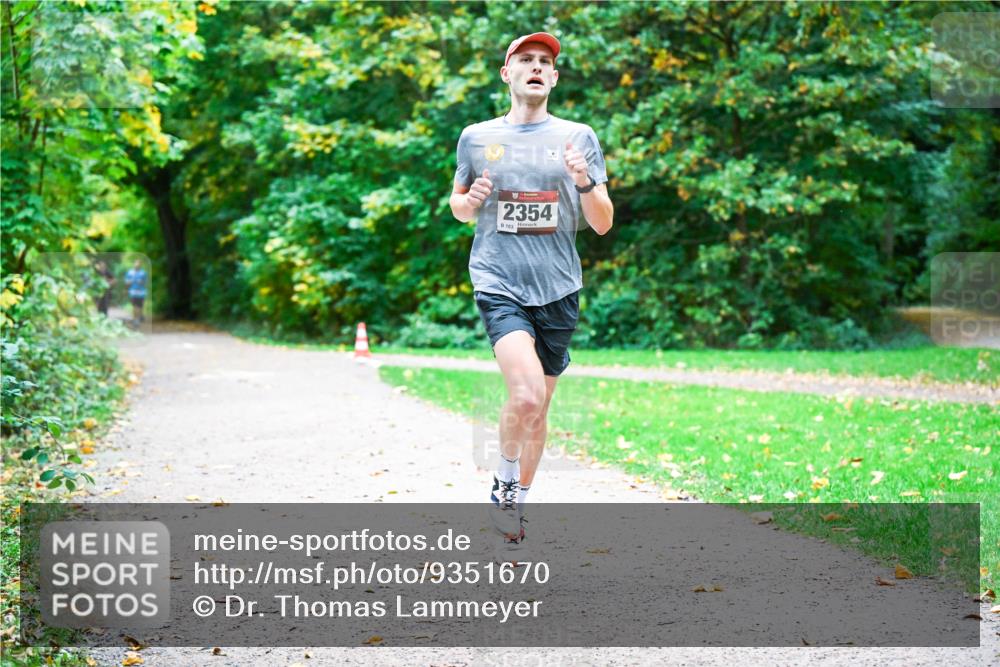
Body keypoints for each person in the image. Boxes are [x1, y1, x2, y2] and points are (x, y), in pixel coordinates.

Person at [448, 32, 614, 560]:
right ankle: (502, 483)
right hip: (498, 279)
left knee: (539, 411)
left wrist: (585, 182)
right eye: (527, 60)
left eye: (545, 62)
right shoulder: (476, 137)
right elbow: (458, 205)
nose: (537, 67)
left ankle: (518, 502)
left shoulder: (578, 137)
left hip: (559, 287)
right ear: (508, 73)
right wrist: (468, 201)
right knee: (525, 396)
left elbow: (603, 224)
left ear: (555, 78)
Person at [124, 259, 147, 326]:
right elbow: (126, 283)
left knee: (140, 306)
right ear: (133, 264)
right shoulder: (129, 273)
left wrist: (141, 282)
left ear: (140, 265)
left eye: (139, 264)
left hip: (141, 292)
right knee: (134, 306)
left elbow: (145, 282)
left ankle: (138, 318)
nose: (137, 265)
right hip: (133, 291)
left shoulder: (143, 273)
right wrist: (126, 289)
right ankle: (135, 319)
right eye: (136, 263)